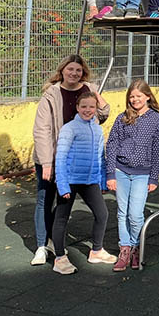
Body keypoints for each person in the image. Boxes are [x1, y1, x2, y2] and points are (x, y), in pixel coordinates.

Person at [30, 55, 109, 266]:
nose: (74, 73)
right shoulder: (52, 94)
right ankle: (41, 245)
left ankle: (55, 240)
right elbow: (42, 129)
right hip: (53, 154)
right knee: (45, 198)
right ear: (62, 70)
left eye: (78, 70)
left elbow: (103, 113)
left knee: (64, 202)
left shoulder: (87, 90)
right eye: (70, 69)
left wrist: (96, 93)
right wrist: (47, 162)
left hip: (76, 159)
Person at [51, 91, 117, 274]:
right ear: (78, 108)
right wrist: (62, 185)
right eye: (84, 107)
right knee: (61, 217)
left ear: (96, 109)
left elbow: (100, 157)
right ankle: (59, 258)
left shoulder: (97, 128)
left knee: (102, 214)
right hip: (70, 181)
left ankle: (96, 251)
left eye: (92, 107)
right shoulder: (69, 128)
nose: (88, 110)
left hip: (89, 181)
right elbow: (61, 157)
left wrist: (102, 181)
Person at [105, 79, 159, 272]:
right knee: (122, 212)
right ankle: (125, 249)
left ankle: (136, 246)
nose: (135, 100)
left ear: (148, 96)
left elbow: (157, 149)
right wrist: (110, 173)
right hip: (122, 170)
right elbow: (112, 144)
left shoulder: (155, 118)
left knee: (135, 213)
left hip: (142, 173)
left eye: (139, 96)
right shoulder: (123, 118)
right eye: (131, 96)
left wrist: (154, 176)